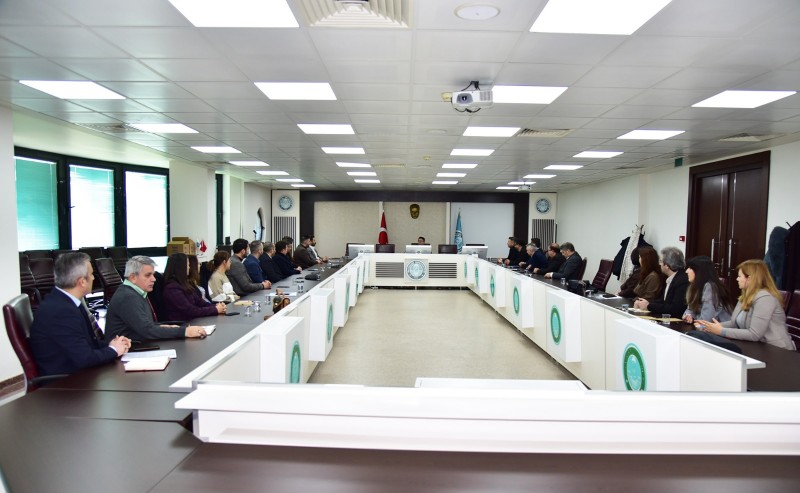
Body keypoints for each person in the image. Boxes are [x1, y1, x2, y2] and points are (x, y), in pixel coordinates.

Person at [29, 252, 130, 376]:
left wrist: (113, 345)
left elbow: (88, 343)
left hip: (78, 372)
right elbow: (85, 359)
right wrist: (113, 350)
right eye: (91, 274)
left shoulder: (67, 301)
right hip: (66, 381)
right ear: (82, 282)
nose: (93, 278)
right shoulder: (60, 311)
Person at [697, 259, 795, 350]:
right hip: (757, 347)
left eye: (739, 276)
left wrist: (721, 331)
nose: (737, 279)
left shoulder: (765, 298)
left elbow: (754, 334)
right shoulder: (745, 295)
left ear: (750, 279)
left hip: (777, 350)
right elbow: (734, 323)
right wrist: (710, 326)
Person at [105, 256, 207, 341]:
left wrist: (163, 326)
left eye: (153, 275)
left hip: (137, 343)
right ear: (133, 277)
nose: (153, 279)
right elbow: (147, 330)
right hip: (130, 350)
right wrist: (185, 332)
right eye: (148, 275)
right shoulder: (128, 297)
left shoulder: (136, 292)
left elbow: (144, 325)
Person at [161, 253, 226, 321]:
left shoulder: (184, 284)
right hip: (184, 324)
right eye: (188, 265)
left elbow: (199, 301)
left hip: (194, 321)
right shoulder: (172, 288)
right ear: (180, 267)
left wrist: (216, 306)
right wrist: (214, 309)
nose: (189, 268)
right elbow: (190, 310)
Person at [634, 247, 689, 318]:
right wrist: (646, 303)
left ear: (667, 265)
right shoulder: (672, 278)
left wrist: (649, 306)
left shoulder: (682, 280)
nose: (659, 264)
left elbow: (676, 308)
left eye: (660, 261)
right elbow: (664, 301)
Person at [682, 256, 733, 324]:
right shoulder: (694, 286)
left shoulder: (711, 287)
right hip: (704, 327)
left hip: (720, 328)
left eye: (690, 268)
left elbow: (706, 319)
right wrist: (689, 316)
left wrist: (694, 318)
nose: (686, 271)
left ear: (699, 271)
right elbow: (690, 309)